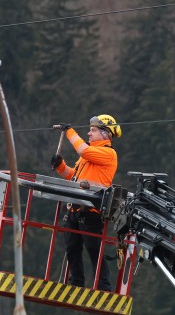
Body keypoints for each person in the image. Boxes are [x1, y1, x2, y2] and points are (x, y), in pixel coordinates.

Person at [50, 115, 122, 291]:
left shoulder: (107, 153)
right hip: (75, 207)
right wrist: (61, 166)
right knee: (72, 248)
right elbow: (74, 177)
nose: (89, 133)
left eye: (93, 130)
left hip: (91, 210)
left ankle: (103, 287)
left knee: (94, 249)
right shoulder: (89, 154)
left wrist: (69, 132)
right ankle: (76, 284)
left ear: (105, 134)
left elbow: (82, 150)